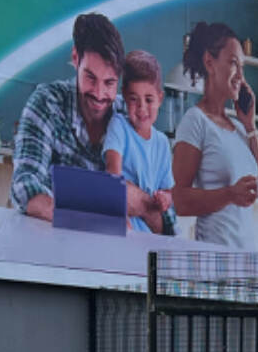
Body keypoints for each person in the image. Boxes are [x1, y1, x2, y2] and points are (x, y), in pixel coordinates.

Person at [11, 12, 163, 230]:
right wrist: (94, 217)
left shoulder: (129, 116)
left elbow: (157, 210)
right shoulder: (47, 103)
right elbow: (24, 184)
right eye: (90, 78)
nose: (100, 94)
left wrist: (143, 203)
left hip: (119, 249)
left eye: (109, 82)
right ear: (75, 58)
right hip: (54, 244)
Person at [170, 21, 258, 250]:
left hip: (245, 261)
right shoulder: (195, 121)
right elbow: (178, 199)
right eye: (234, 63)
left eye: (242, 67)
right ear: (209, 62)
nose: (241, 77)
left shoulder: (239, 128)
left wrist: (251, 126)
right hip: (214, 260)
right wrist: (230, 195)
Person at [102, 51, 175, 236]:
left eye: (149, 99)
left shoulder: (162, 143)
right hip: (122, 229)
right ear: (124, 96)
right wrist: (119, 212)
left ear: (160, 98)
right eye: (134, 99)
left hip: (150, 236)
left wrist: (165, 199)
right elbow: (112, 171)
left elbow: (168, 191)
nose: (142, 108)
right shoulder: (119, 125)